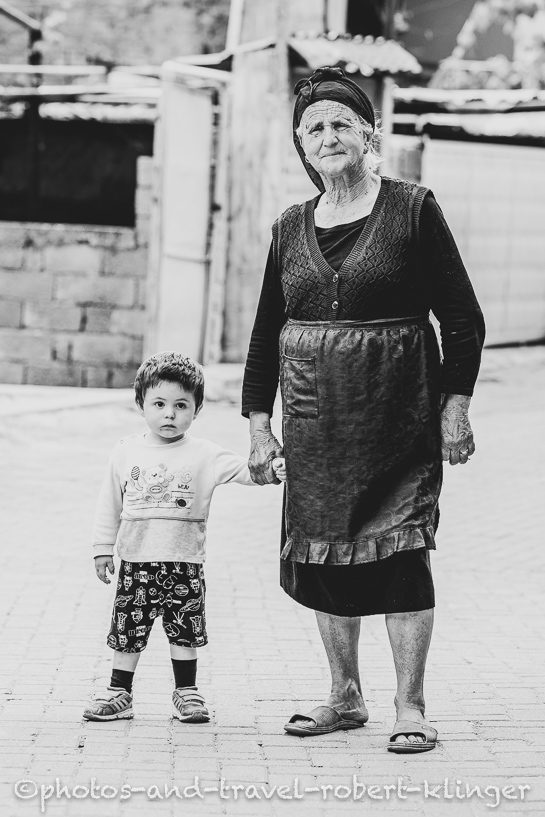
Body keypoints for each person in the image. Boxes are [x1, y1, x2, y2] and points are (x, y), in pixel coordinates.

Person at [242, 67, 485, 753]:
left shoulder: (411, 207)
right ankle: (344, 696)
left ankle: (410, 704)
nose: (328, 136)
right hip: (316, 425)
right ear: (301, 143)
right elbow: (265, 333)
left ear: (367, 134)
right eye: (314, 127)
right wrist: (258, 425)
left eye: (340, 124)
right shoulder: (289, 226)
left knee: (403, 551)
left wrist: (454, 407)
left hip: (399, 416)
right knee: (324, 557)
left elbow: (462, 319)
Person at [84, 351, 263, 723]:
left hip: (184, 564)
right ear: (141, 404)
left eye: (181, 405)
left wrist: (272, 466)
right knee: (127, 630)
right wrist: (103, 549)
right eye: (160, 404)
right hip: (136, 564)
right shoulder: (125, 451)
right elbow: (108, 504)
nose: (170, 413)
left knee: (185, 631)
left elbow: (250, 472)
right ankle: (120, 693)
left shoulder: (205, 453)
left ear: (196, 410)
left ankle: (187, 693)